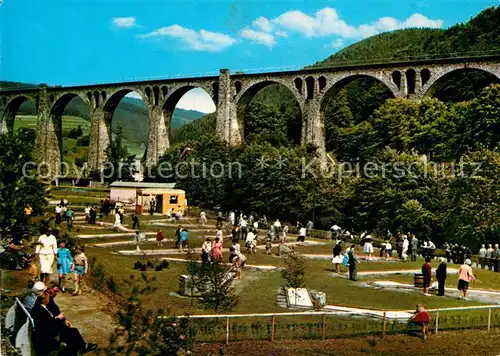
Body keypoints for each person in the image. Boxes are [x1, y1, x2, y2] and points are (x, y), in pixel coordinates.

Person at [31, 290, 98, 355]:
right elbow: (49, 325)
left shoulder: (41, 304)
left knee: (70, 329)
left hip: (48, 329)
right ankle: (81, 348)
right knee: (72, 332)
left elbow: (55, 312)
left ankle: (80, 347)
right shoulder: (39, 310)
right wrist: (59, 319)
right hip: (47, 335)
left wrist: (63, 320)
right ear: (45, 298)